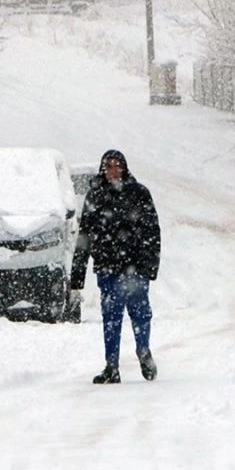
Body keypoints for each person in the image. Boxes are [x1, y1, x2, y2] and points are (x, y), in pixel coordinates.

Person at [70, 149, 161, 384]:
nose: (112, 171)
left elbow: (152, 230)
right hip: (107, 267)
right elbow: (85, 235)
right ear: (102, 169)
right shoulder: (95, 196)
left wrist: (150, 265)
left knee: (140, 313)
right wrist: (77, 274)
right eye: (108, 166)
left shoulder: (139, 194)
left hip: (135, 267)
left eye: (116, 165)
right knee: (111, 317)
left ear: (124, 168)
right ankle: (112, 366)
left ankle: (143, 351)